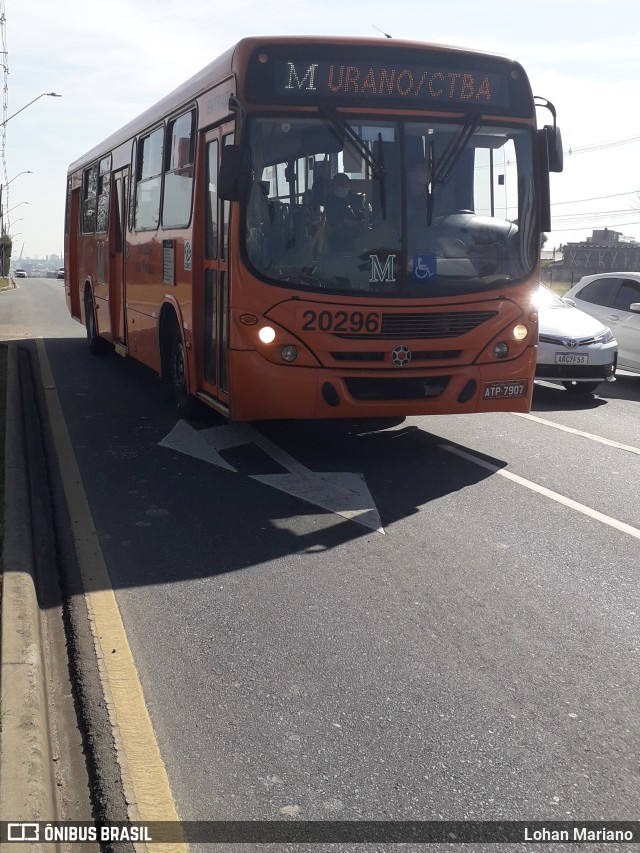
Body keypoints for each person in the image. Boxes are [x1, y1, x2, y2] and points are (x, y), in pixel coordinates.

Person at [323, 173, 369, 251]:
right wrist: (357, 223)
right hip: (340, 238)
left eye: (343, 184)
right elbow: (339, 221)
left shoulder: (357, 199)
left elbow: (365, 215)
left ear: (349, 185)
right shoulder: (330, 201)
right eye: (336, 185)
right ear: (333, 187)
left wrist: (364, 222)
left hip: (360, 234)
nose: (340, 187)